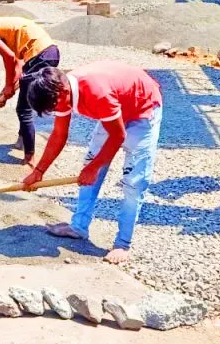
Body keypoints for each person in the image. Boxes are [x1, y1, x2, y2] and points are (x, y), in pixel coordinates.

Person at [22, 62, 163, 265]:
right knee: (87, 174)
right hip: (115, 107)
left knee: (134, 182)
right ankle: (79, 227)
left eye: (54, 108)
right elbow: (59, 135)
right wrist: (39, 171)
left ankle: (122, 244)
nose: (56, 112)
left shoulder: (97, 93)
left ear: (62, 92)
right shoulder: (61, 91)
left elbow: (117, 136)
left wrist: (94, 167)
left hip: (143, 108)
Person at [0, 2, 60, 166]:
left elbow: (9, 58)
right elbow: (18, 66)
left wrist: (9, 87)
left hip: (38, 56)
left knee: (23, 109)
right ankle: (21, 141)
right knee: (25, 98)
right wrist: (7, 90)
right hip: (49, 52)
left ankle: (29, 158)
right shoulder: (2, 24)